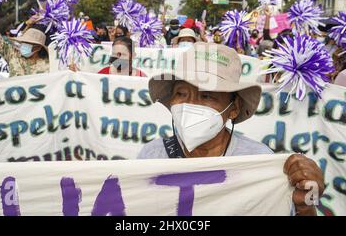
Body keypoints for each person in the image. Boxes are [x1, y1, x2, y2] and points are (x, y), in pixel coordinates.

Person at [138, 43, 325, 216]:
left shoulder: (257, 161)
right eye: (181, 93)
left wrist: (305, 205)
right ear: (171, 100)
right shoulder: (152, 155)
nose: (190, 104)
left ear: (233, 108)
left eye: (207, 96)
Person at [0, 2, 49, 77]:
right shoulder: (13, 55)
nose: (23, 45)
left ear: (38, 47)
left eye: (28, 43)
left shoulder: (49, 63)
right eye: (23, 42)